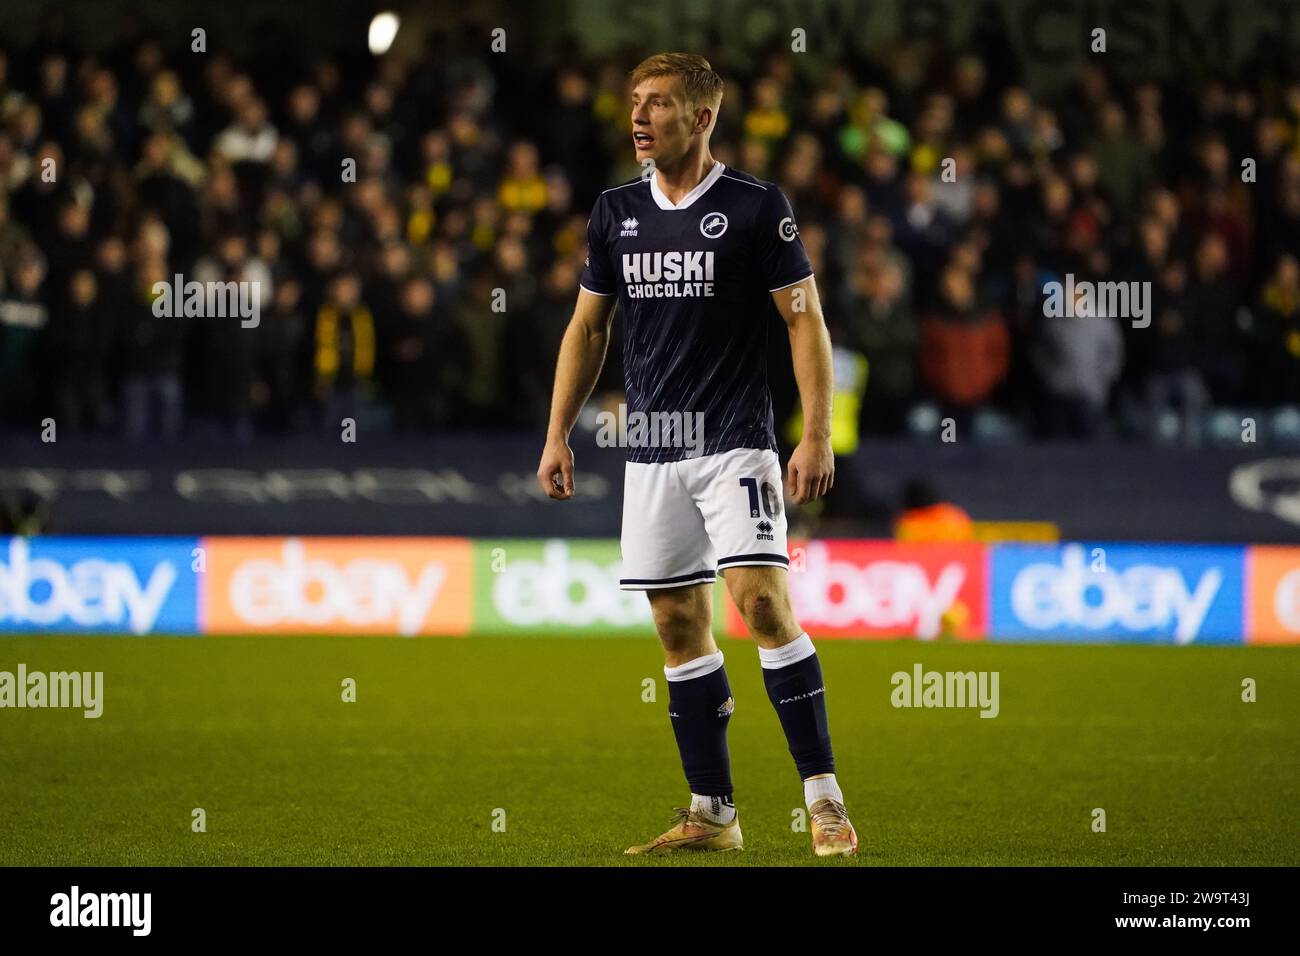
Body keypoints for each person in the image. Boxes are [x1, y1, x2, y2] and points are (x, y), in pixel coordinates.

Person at [536, 53, 856, 857]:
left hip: (736, 441)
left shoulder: (755, 208)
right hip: (652, 448)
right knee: (678, 621)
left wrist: (812, 432)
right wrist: (556, 433)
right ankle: (713, 812)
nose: (639, 117)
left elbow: (803, 320)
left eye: (659, 104)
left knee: (758, 602)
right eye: (635, 102)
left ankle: (824, 798)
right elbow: (588, 328)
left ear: (703, 117)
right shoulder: (614, 211)